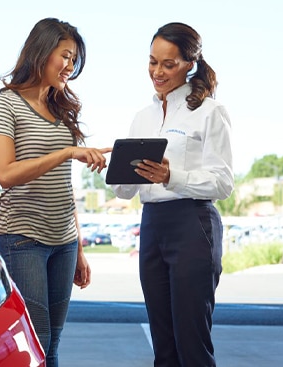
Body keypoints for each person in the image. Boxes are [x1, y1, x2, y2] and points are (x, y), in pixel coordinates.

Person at [0, 17, 111, 367]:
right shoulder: (6, 103)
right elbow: (5, 174)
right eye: (66, 56)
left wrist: (80, 248)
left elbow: (63, 187)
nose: (70, 66)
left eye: (74, 60)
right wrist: (66, 152)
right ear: (41, 53)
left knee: (52, 345)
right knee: (35, 342)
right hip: (23, 238)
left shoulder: (62, 109)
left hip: (65, 242)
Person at [112, 22, 234, 367]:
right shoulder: (142, 118)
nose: (158, 72)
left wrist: (172, 176)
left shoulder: (209, 112)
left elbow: (223, 182)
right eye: (152, 62)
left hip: (192, 224)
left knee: (192, 344)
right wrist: (117, 171)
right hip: (152, 226)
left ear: (189, 64)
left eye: (168, 64)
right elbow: (125, 192)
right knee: (163, 346)